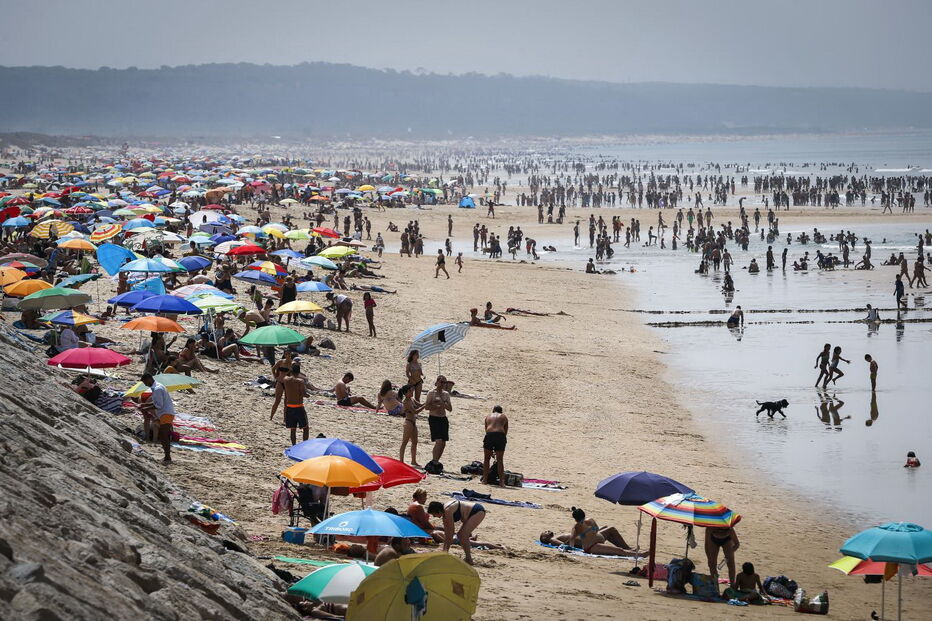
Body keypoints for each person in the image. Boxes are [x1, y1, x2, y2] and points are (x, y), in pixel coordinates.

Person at [428, 499, 486, 565]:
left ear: (438, 511)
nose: (434, 516)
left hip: (476, 511)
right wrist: (444, 551)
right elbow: (447, 533)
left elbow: (451, 532)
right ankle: (468, 558)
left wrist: (445, 551)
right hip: (469, 514)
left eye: (434, 514)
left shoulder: (447, 510)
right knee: (461, 535)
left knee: (462, 535)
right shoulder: (444, 513)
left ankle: (469, 559)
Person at [565, 507, 638, 555]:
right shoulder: (587, 522)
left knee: (611, 529)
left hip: (596, 540)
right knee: (619, 550)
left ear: (575, 519)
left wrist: (571, 548)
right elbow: (596, 529)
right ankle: (632, 552)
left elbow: (572, 539)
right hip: (593, 545)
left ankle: (628, 548)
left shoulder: (580, 524)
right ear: (584, 515)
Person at [272, 363, 310, 445]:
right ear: (299, 372)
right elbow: (304, 394)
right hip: (299, 407)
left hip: (289, 407)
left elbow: (285, 376)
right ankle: (304, 445)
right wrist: (308, 395)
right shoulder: (300, 381)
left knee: (293, 429)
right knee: (305, 428)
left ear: (291, 371)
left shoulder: (286, 380)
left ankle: (293, 445)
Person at [141, 373, 174, 464]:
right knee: (163, 436)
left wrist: (146, 408)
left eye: (145, 382)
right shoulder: (157, 387)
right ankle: (167, 457)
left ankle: (167, 458)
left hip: (166, 414)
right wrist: (145, 405)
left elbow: (159, 405)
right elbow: (157, 403)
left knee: (164, 436)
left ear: (149, 379)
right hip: (165, 413)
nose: (145, 384)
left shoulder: (157, 389)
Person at [425, 375, 452, 464]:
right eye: (441, 382)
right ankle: (434, 461)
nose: (443, 384)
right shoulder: (431, 393)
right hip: (434, 418)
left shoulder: (446, 394)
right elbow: (427, 407)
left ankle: (436, 460)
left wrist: (443, 403)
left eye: (444, 382)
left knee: (443, 442)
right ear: (437, 382)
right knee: (439, 441)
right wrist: (436, 405)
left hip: (443, 418)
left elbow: (450, 408)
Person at [481, 405, 508, 487]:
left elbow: (486, 430)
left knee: (486, 459)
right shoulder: (504, 417)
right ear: (501, 411)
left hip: (490, 435)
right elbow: (505, 431)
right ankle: (501, 482)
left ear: (493, 410)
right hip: (500, 435)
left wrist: (492, 450)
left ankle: (485, 480)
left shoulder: (488, 416)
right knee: (500, 460)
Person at [398, 384, 424, 466]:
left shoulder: (412, 399)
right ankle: (401, 461)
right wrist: (426, 405)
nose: (412, 392)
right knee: (404, 442)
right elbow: (415, 411)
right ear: (406, 393)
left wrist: (428, 402)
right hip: (408, 422)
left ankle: (413, 461)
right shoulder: (406, 402)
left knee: (415, 442)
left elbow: (420, 405)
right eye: (410, 391)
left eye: (412, 390)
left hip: (413, 422)